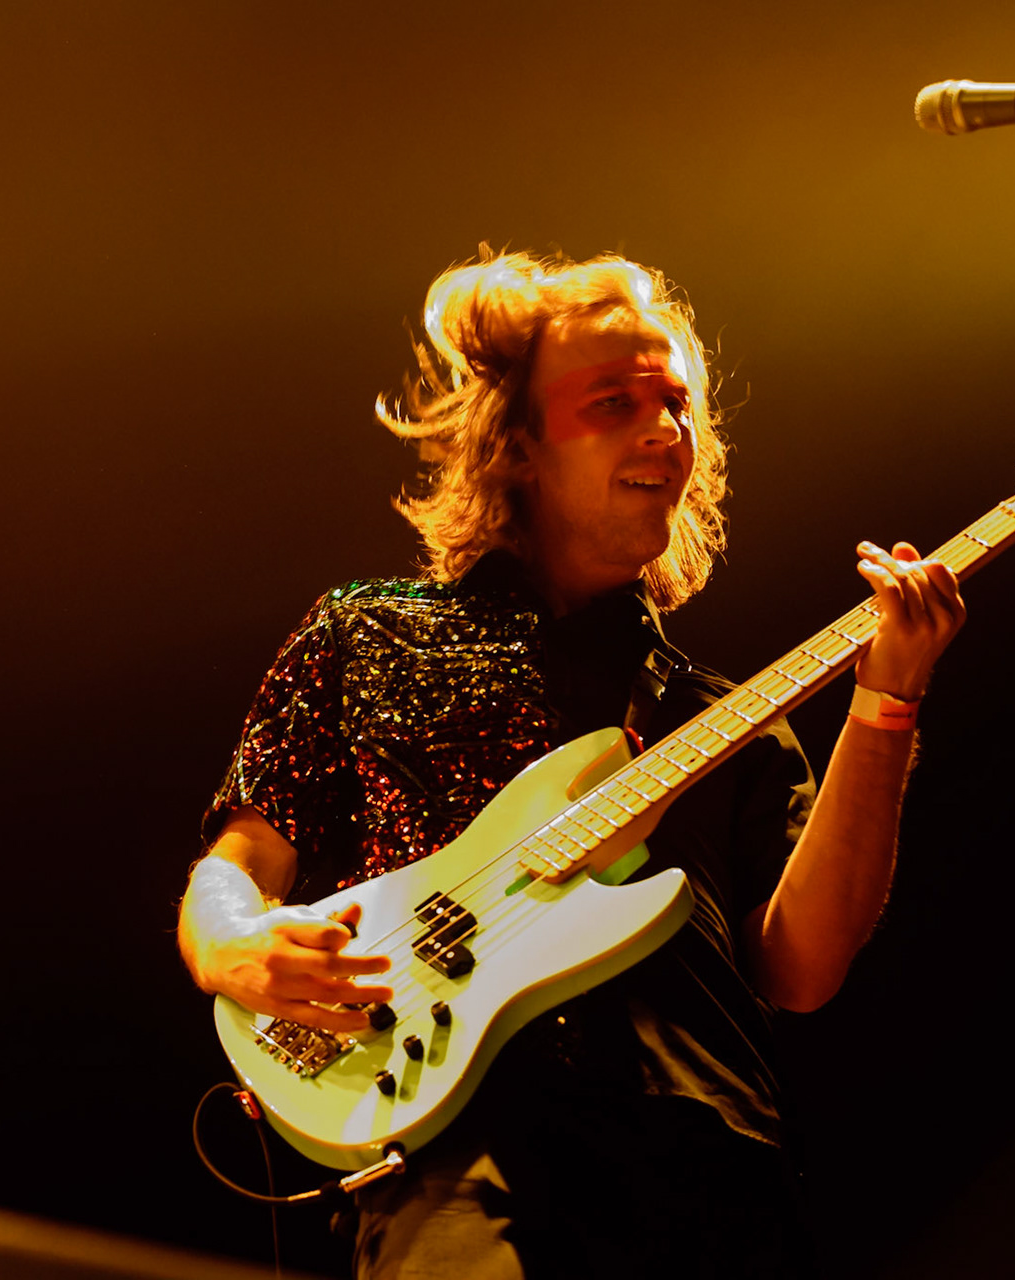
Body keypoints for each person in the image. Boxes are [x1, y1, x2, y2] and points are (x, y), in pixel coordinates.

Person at [177, 250, 965, 1278]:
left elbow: (802, 966)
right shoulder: (365, 632)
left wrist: (887, 699)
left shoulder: (721, 716)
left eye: (676, 401)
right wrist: (231, 948)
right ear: (517, 447)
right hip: (460, 1154)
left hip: (711, 1169)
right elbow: (238, 862)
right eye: (614, 402)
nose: (664, 430)